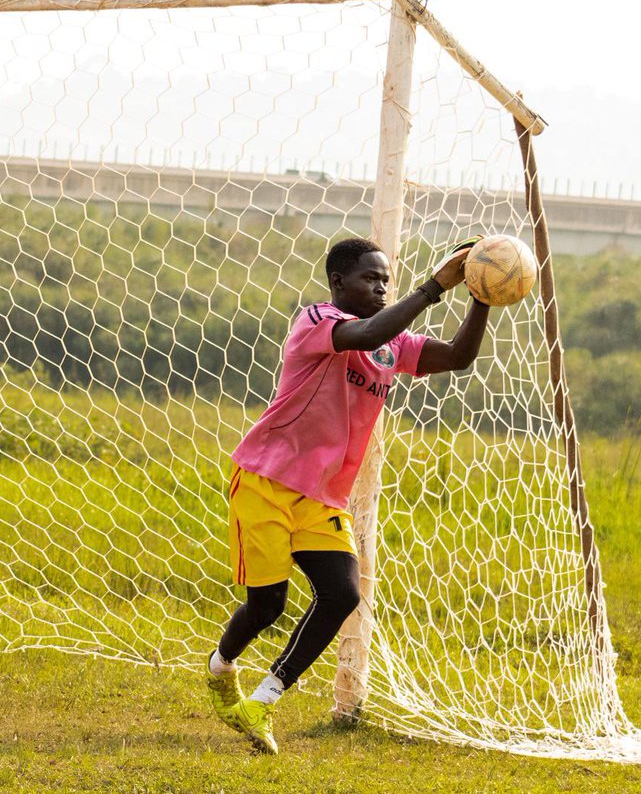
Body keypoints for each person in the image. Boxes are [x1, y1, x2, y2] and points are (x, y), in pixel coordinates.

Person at [205, 235, 490, 754]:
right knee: (267, 605)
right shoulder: (316, 322)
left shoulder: (393, 345)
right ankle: (220, 666)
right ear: (338, 282)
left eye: (387, 281)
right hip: (266, 482)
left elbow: (459, 356)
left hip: (322, 498)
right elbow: (366, 333)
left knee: (343, 594)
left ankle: (263, 700)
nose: (381, 288)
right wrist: (433, 287)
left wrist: (481, 292)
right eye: (370, 279)